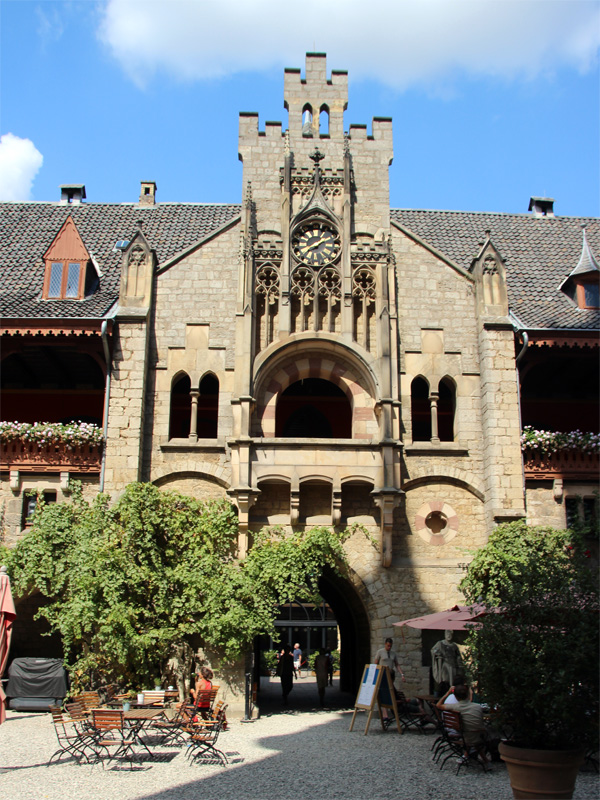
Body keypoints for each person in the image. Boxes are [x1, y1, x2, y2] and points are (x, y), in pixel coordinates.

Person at [436, 683, 492, 771]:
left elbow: (438, 705)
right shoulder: (477, 707)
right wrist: (471, 693)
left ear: (455, 696)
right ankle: (484, 760)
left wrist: (447, 693)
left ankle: (466, 756)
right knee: (475, 733)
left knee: (469, 734)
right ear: (467, 695)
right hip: (480, 735)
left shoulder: (455, 707)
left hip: (466, 736)